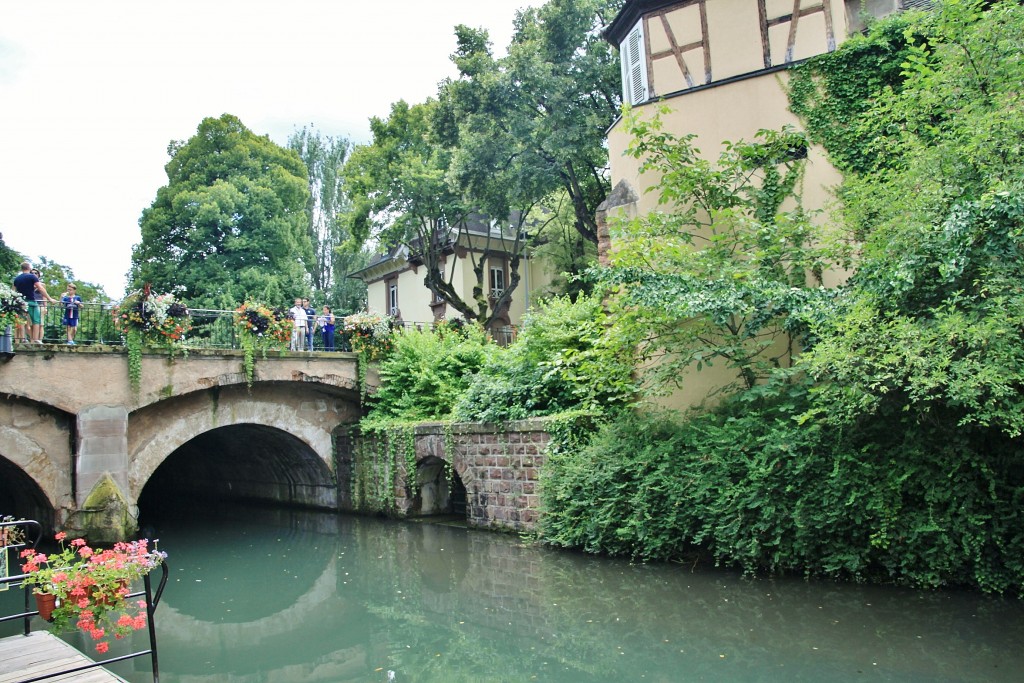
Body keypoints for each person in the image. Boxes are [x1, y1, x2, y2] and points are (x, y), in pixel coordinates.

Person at [12, 262, 53, 344]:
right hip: (31, 301)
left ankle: (23, 338)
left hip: (21, 302)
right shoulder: (32, 277)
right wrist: (49, 298)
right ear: (29, 268)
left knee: (22, 321)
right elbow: (40, 288)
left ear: (22, 268)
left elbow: (13, 291)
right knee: (36, 320)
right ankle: (35, 339)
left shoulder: (17, 279)